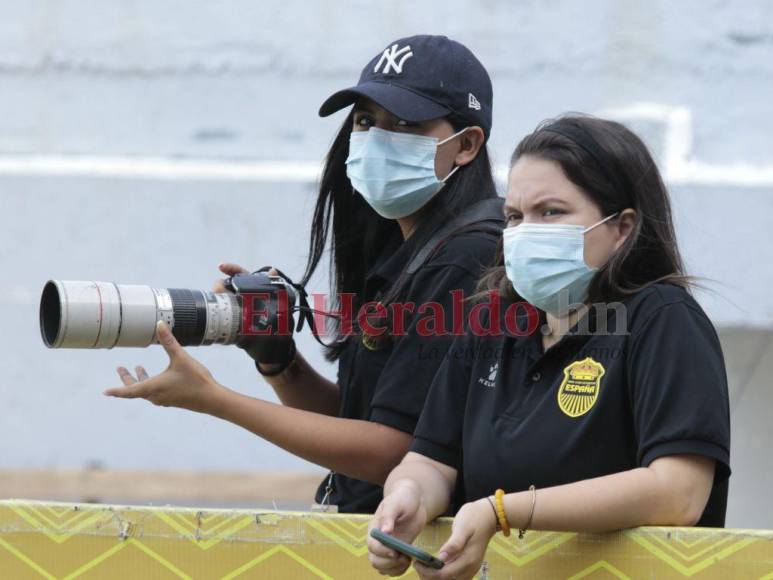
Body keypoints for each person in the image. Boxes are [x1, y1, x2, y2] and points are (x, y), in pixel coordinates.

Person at [103, 35, 503, 513]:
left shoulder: (467, 257)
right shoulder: (408, 252)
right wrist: (278, 360)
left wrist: (212, 398)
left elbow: (398, 453)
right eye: (365, 121)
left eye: (404, 124)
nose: (376, 139)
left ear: (466, 145)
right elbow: (359, 422)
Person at [367, 115, 731, 579]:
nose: (525, 232)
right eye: (515, 217)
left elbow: (678, 493)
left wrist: (502, 512)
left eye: (551, 212)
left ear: (622, 227)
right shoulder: (491, 324)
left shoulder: (662, 318)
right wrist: (406, 499)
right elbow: (431, 461)